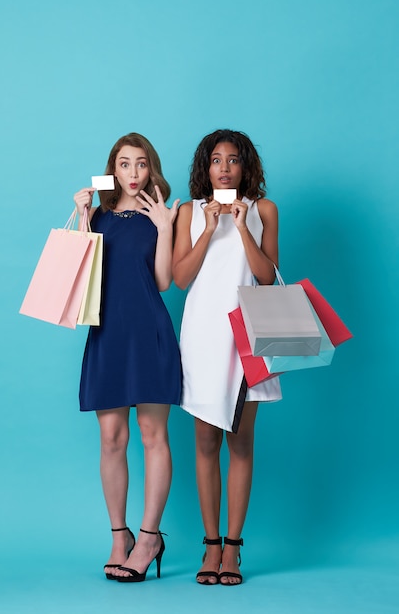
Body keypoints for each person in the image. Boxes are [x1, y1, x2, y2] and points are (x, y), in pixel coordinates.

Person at [172, 129, 282, 586]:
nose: (223, 167)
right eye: (215, 159)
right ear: (205, 167)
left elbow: (267, 276)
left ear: (245, 165)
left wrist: (240, 225)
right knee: (204, 442)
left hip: (249, 336)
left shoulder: (263, 210)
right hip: (202, 334)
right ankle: (210, 544)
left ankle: (233, 549)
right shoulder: (188, 211)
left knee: (240, 442)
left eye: (232, 159)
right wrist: (211, 228)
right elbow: (180, 278)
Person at [74, 133, 181, 583]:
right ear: (112, 170)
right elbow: (83, 275)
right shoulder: (97, 215)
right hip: (108, 333)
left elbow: (162, 282)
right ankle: (120, 538)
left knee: (153, 434)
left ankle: (150, 535)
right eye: (124, 164)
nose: (134, 173)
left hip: (150, 332)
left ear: (150, 168)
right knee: (111, 438)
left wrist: (167, 227)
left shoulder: (159, 215)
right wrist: (83, 217)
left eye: (141, 164)